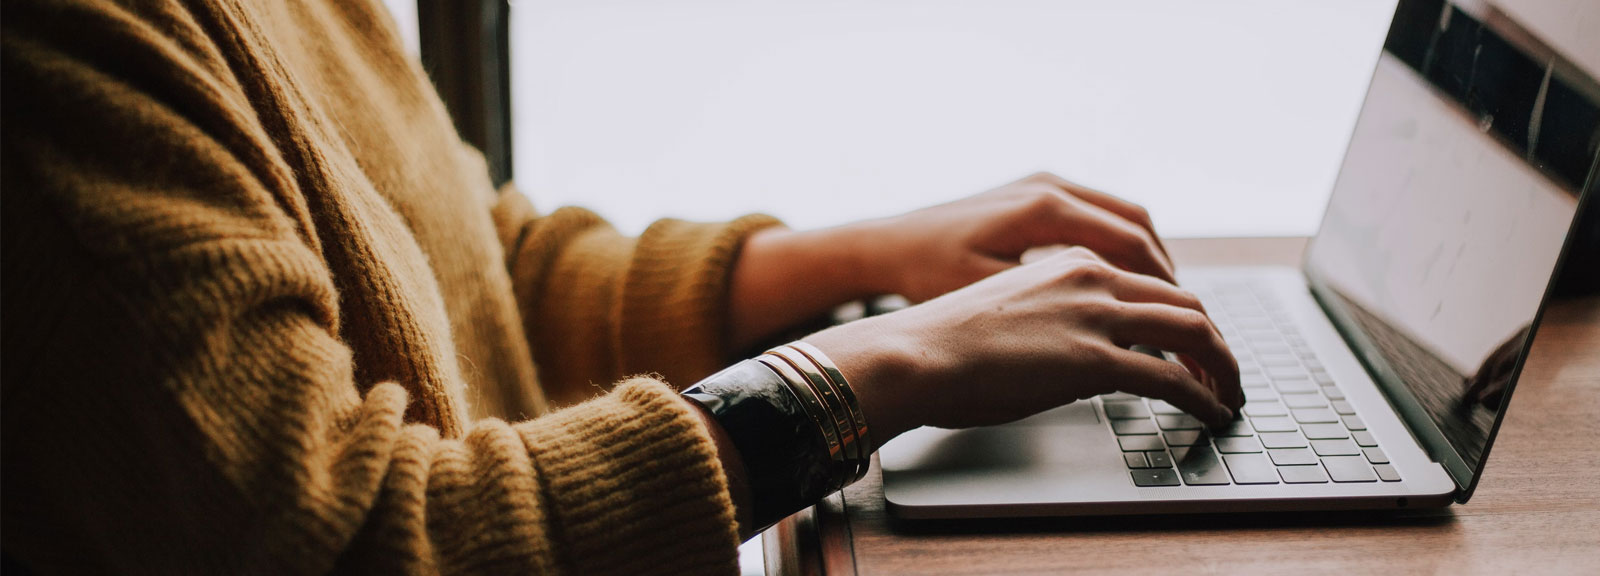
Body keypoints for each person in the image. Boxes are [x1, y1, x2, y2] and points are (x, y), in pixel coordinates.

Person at [0, 0, 1242, 573]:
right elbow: (367, 543)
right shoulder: (62, 55)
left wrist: (864, 259)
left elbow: (477, 270)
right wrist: (874, 368)